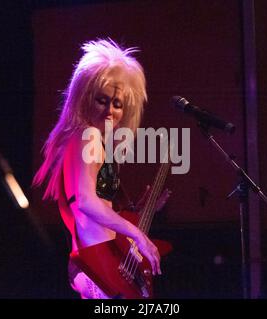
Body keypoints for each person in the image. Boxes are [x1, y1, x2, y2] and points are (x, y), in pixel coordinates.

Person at [33, 39, 169, 299]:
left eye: (117, 104)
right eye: (102, 100)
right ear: (85, 99)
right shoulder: (88, 136)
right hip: (99, 263)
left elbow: (100, 208)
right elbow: (85, 202)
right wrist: (137, 234)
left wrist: (136, 212)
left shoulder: (94, 142)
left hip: (101, 262)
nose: (110, 110)